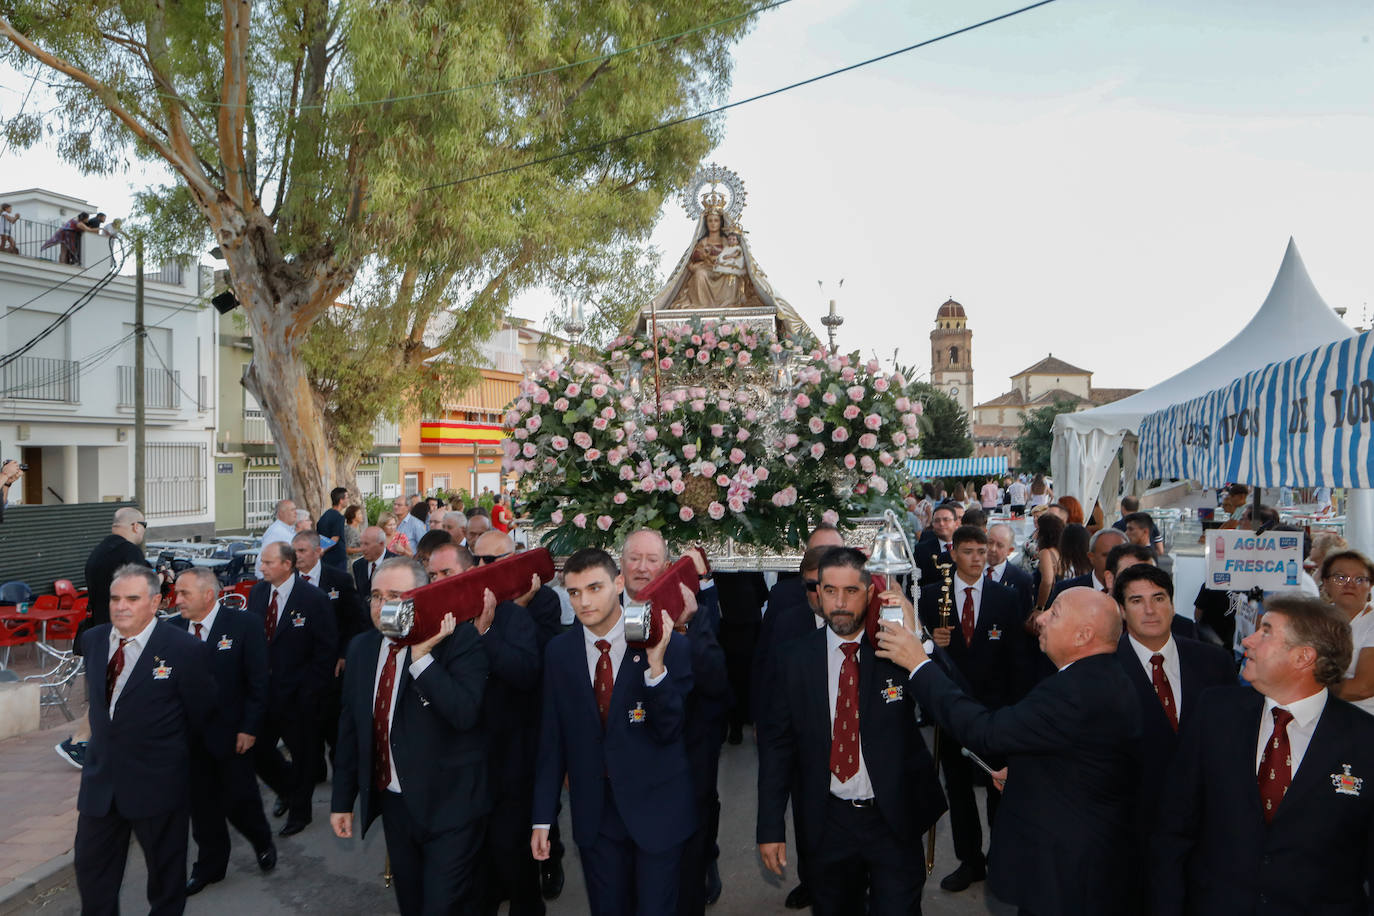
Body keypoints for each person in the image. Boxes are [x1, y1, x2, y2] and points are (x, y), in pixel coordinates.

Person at [881, 587, 1143, 915]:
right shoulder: (1100, 676)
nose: (1041, 618)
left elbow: (985, 731)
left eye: (1055, 613)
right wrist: (1025, 774)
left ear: (1083, 635)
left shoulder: (1074, 691)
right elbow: (1079, 758)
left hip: (1067, 872)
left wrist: (917, 664)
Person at [1152, 595, 1374, 915]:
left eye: (1266, 631)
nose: (1248, 640)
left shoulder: (1364, 739)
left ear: (1303, 657)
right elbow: (1173, 829)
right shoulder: (1215, 714)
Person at [757, 547, 947, 915]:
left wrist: (919, 637)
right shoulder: (793, 659)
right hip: (828, 822)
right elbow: (777, 747)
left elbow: (951, 698)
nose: (839, 603)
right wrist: (770, 827)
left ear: (871, 592)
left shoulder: (894, 650)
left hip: (893, 817)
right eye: (829, 591)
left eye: (851, 591)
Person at [530, 548, 694, 915]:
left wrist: (655, 668)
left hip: (657, 812)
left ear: (619, 583)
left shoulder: (668, 645)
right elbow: (552, 741)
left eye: (594, 588)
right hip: (595, 817)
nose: (584, 602)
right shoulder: (559, 652)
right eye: (573, 592)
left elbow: (671, 729)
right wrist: (543, 817)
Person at [331, 558, 491, 914]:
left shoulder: (458, 639)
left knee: (442, 906)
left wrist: (422, 660)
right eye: (375, 595)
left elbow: (465, 713)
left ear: (421, 598)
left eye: (395, 595)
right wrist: (343, 800)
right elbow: (350, 729)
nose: (382, 605)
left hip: (452, 806)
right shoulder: (361, 648)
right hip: (395, 806)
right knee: (412, 904)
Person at [73, 564, 217, 916]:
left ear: (155, 603)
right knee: (92, 877)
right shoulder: (93, 641)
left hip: (158, 787)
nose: (121, 606)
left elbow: (203, 715)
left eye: (132, 598)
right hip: (100, 785)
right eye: (115, 598)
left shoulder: (183, 649)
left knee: (166, 883)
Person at [619, 530, 729, 916]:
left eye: (652, 560)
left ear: (666, 567)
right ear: (621, 565)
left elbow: (717, 684)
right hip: (622, 779)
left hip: (682, 770)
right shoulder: (602, 612)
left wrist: (687, 627)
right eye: (634, 558)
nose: (643, 568)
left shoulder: (689, 611)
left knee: (682, 891)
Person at [917, 526, 1028, 892]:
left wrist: (1015, 713)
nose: (979, 557)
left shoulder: (1005, 598)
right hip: (952, 712)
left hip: (997, 713)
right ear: (953, 553)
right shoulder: (931, 597)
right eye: (969, 551)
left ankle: (1002, 857)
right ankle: (970, 860)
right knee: (959, 789)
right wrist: (934, 640)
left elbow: (1017, 660)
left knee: (1000, 788)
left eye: (983, 550)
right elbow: (919, 656)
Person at [1111, 563, 1233, 895]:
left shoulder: (1215, 662)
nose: (1150, 610)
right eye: (1136, 601)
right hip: (1131, 828)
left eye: (1158, 598)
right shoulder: (1102, 671)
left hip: (1204, 829)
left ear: (1172, 603)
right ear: (1121, 610)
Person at [748, 525, 845, 911]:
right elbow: (764, 666)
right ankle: (813, 879)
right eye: (813, 584)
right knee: (808, 813)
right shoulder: (786, 606)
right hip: (803, 735)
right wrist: (761, 717)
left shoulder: (869, 610)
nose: (821, 593)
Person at [168, 568, 276, 895]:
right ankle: (210, 866)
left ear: (208, 594)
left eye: (185, 593)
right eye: (177, 592)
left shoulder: (244, 625)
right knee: (201, 807)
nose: (178, 599)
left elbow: (259, 682)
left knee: (239, 799)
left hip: (232, 735)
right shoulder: (171, 630)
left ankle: (261, 840)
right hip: (188, 739)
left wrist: (249, 728)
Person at [465, 531, 547, 916]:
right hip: (467, 762)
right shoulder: (455, 613)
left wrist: (486, 633)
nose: (482, 568)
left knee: (514, 856)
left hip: (513, 757)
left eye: (491, 560)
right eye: (476, 559)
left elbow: (527, 673)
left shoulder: (529, 609)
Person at [247, 541, 337, 836]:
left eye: (268, 563)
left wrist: (310, 691)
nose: (262, 568)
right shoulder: (258, 593)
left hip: (299, 696)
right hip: (263, 693)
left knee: (303, 757)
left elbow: (326, 651)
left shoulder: (313, 599)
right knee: (257, 750)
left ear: (287, 565)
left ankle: (301, 813)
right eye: (262, 562)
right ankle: (287, 790)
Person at [58, 506, 152, 769]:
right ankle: (78, 741)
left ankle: (94, 741)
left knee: (113, 689)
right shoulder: (130, 552)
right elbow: (144, 588)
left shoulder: (99, 551)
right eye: (144, 525)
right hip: (121, 631)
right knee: (114, 690)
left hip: (99, 631)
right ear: (136, 526)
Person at [293, 530, 368, 781]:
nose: (297, 556)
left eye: (302, 551)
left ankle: (344, 775)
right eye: (294, 551)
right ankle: (313, 772)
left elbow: (355, 621)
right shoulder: (288, 582)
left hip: (333, 667)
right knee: (304, 729)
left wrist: (345, 653)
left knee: (333, 725)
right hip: (300, 667)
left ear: (317, 552)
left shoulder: (339, 580)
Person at [1325, 550, 1374, 716]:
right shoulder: (1316, 619)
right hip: (1321, 714)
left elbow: (1363, 688)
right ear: (1326, 583)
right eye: (1340, 577)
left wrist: (1307, 686)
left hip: (1364, 718)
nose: (1350, 584)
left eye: (1360, 579)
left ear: (1370, 586)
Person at [1048, 527, 1124, 604]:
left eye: (1120, 555)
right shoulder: (1066, 590)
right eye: (1106, 555)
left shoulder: (1133, 590)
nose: (1114, 561)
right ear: (1091, 557)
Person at [986, 522, 1035, 618]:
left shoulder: (1022, 580)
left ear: (1010, 550)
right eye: (990, 542)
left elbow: (1023, 618)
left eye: (999, 545)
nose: (993, 549)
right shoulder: (969, 571)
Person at [915, 502, 960, 583]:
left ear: (956, 523)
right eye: (937, 521)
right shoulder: (922, 550)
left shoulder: (965, 547)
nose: (941, 524)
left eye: (946, 520)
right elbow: (915, 584)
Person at [1032, 512, 1067, 611]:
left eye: (1038, 529)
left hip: (1048, 603)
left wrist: (1039, 607)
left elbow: (1047, 581)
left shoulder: (1046, 553)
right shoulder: (1060, 551)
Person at [255, 498, 297, 577]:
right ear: (281, 513)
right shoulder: (276, 532)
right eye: (292, 510)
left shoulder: (289, 529)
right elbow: (263, 558)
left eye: (295, 510)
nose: (296, 513)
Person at [353, 525, 393, 597]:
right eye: (361, 544)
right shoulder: (357, 565)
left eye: (366, 544)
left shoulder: (397, 564)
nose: (362, 548)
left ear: (381, 544)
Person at [316, 487, 349, 570]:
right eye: (347, 497)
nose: (348, 500)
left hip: (325, 559)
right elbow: (335, 538)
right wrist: (322, 550)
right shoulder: (339, 517)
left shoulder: (324, 516)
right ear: (341, 500)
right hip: (337, 559)